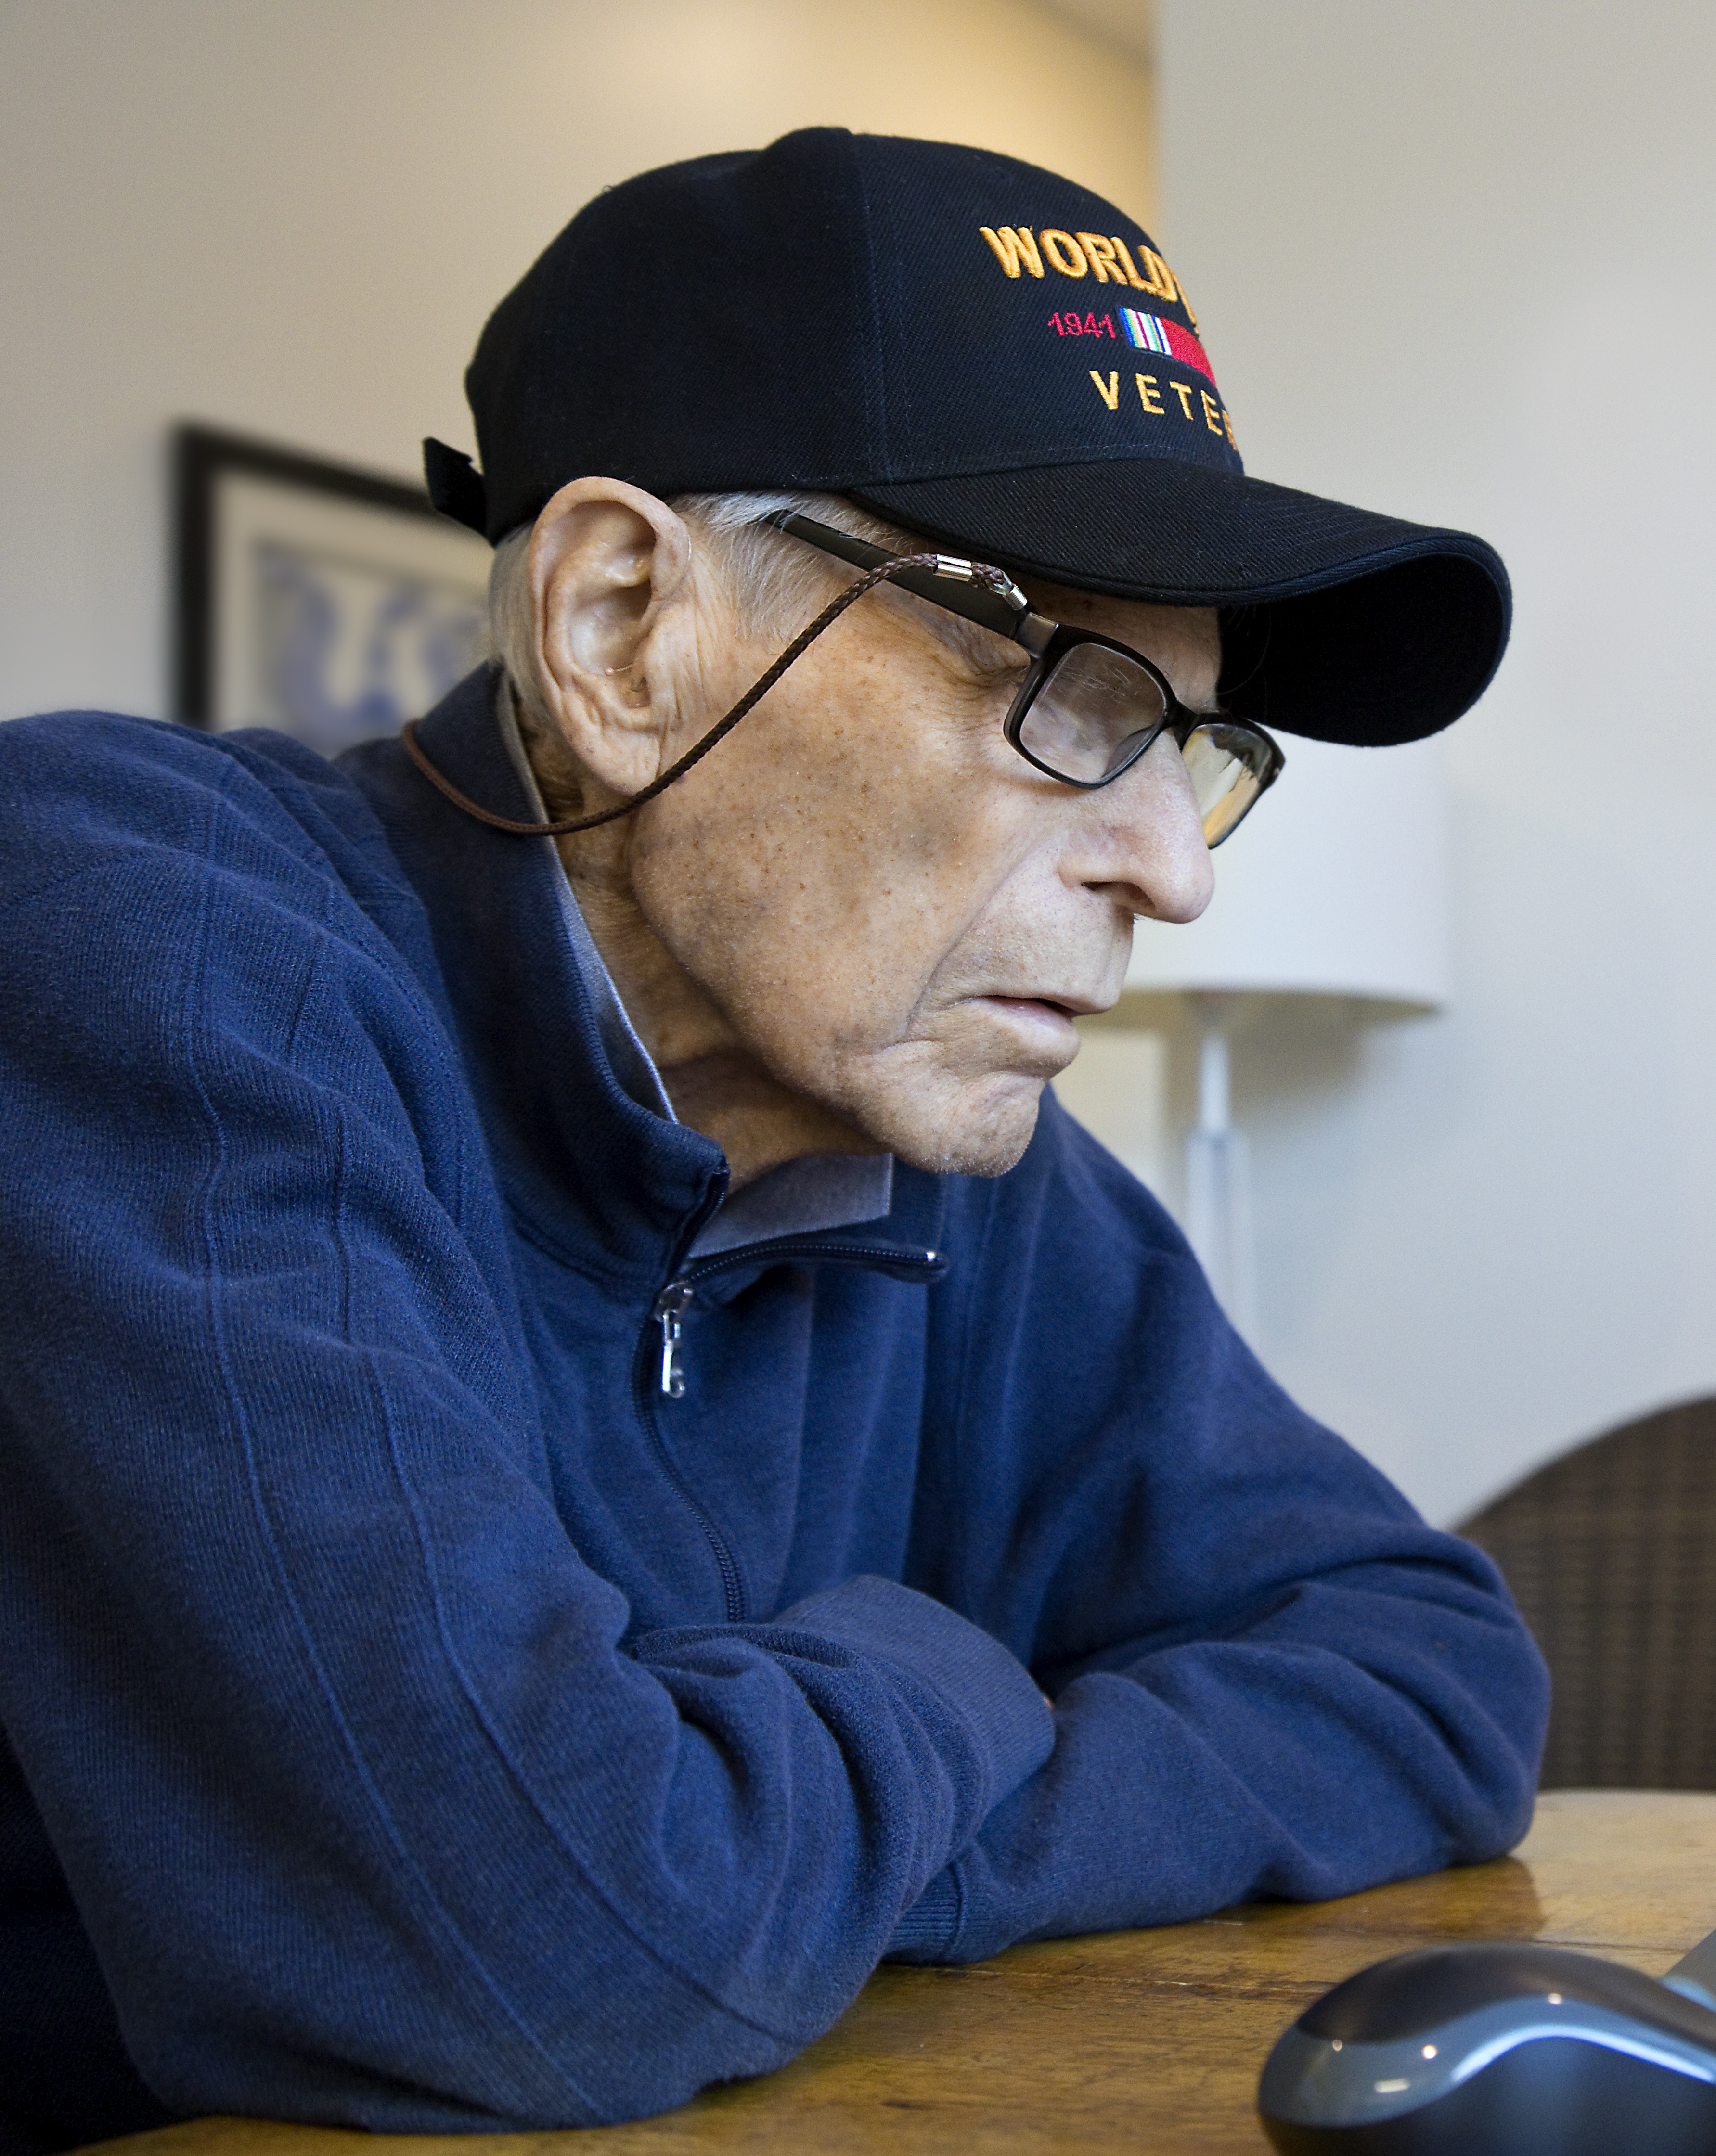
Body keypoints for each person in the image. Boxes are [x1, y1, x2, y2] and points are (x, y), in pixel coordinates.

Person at [0, 130, 1545, 2153]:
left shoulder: (927, 1138)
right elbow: (550, 1951)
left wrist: (788, 1845)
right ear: (627, 629)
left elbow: (1435, 1673)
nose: (1174, 869)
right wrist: (944, 1670)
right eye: (1068, 687)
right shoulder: (142, 935)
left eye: (1191, 742)